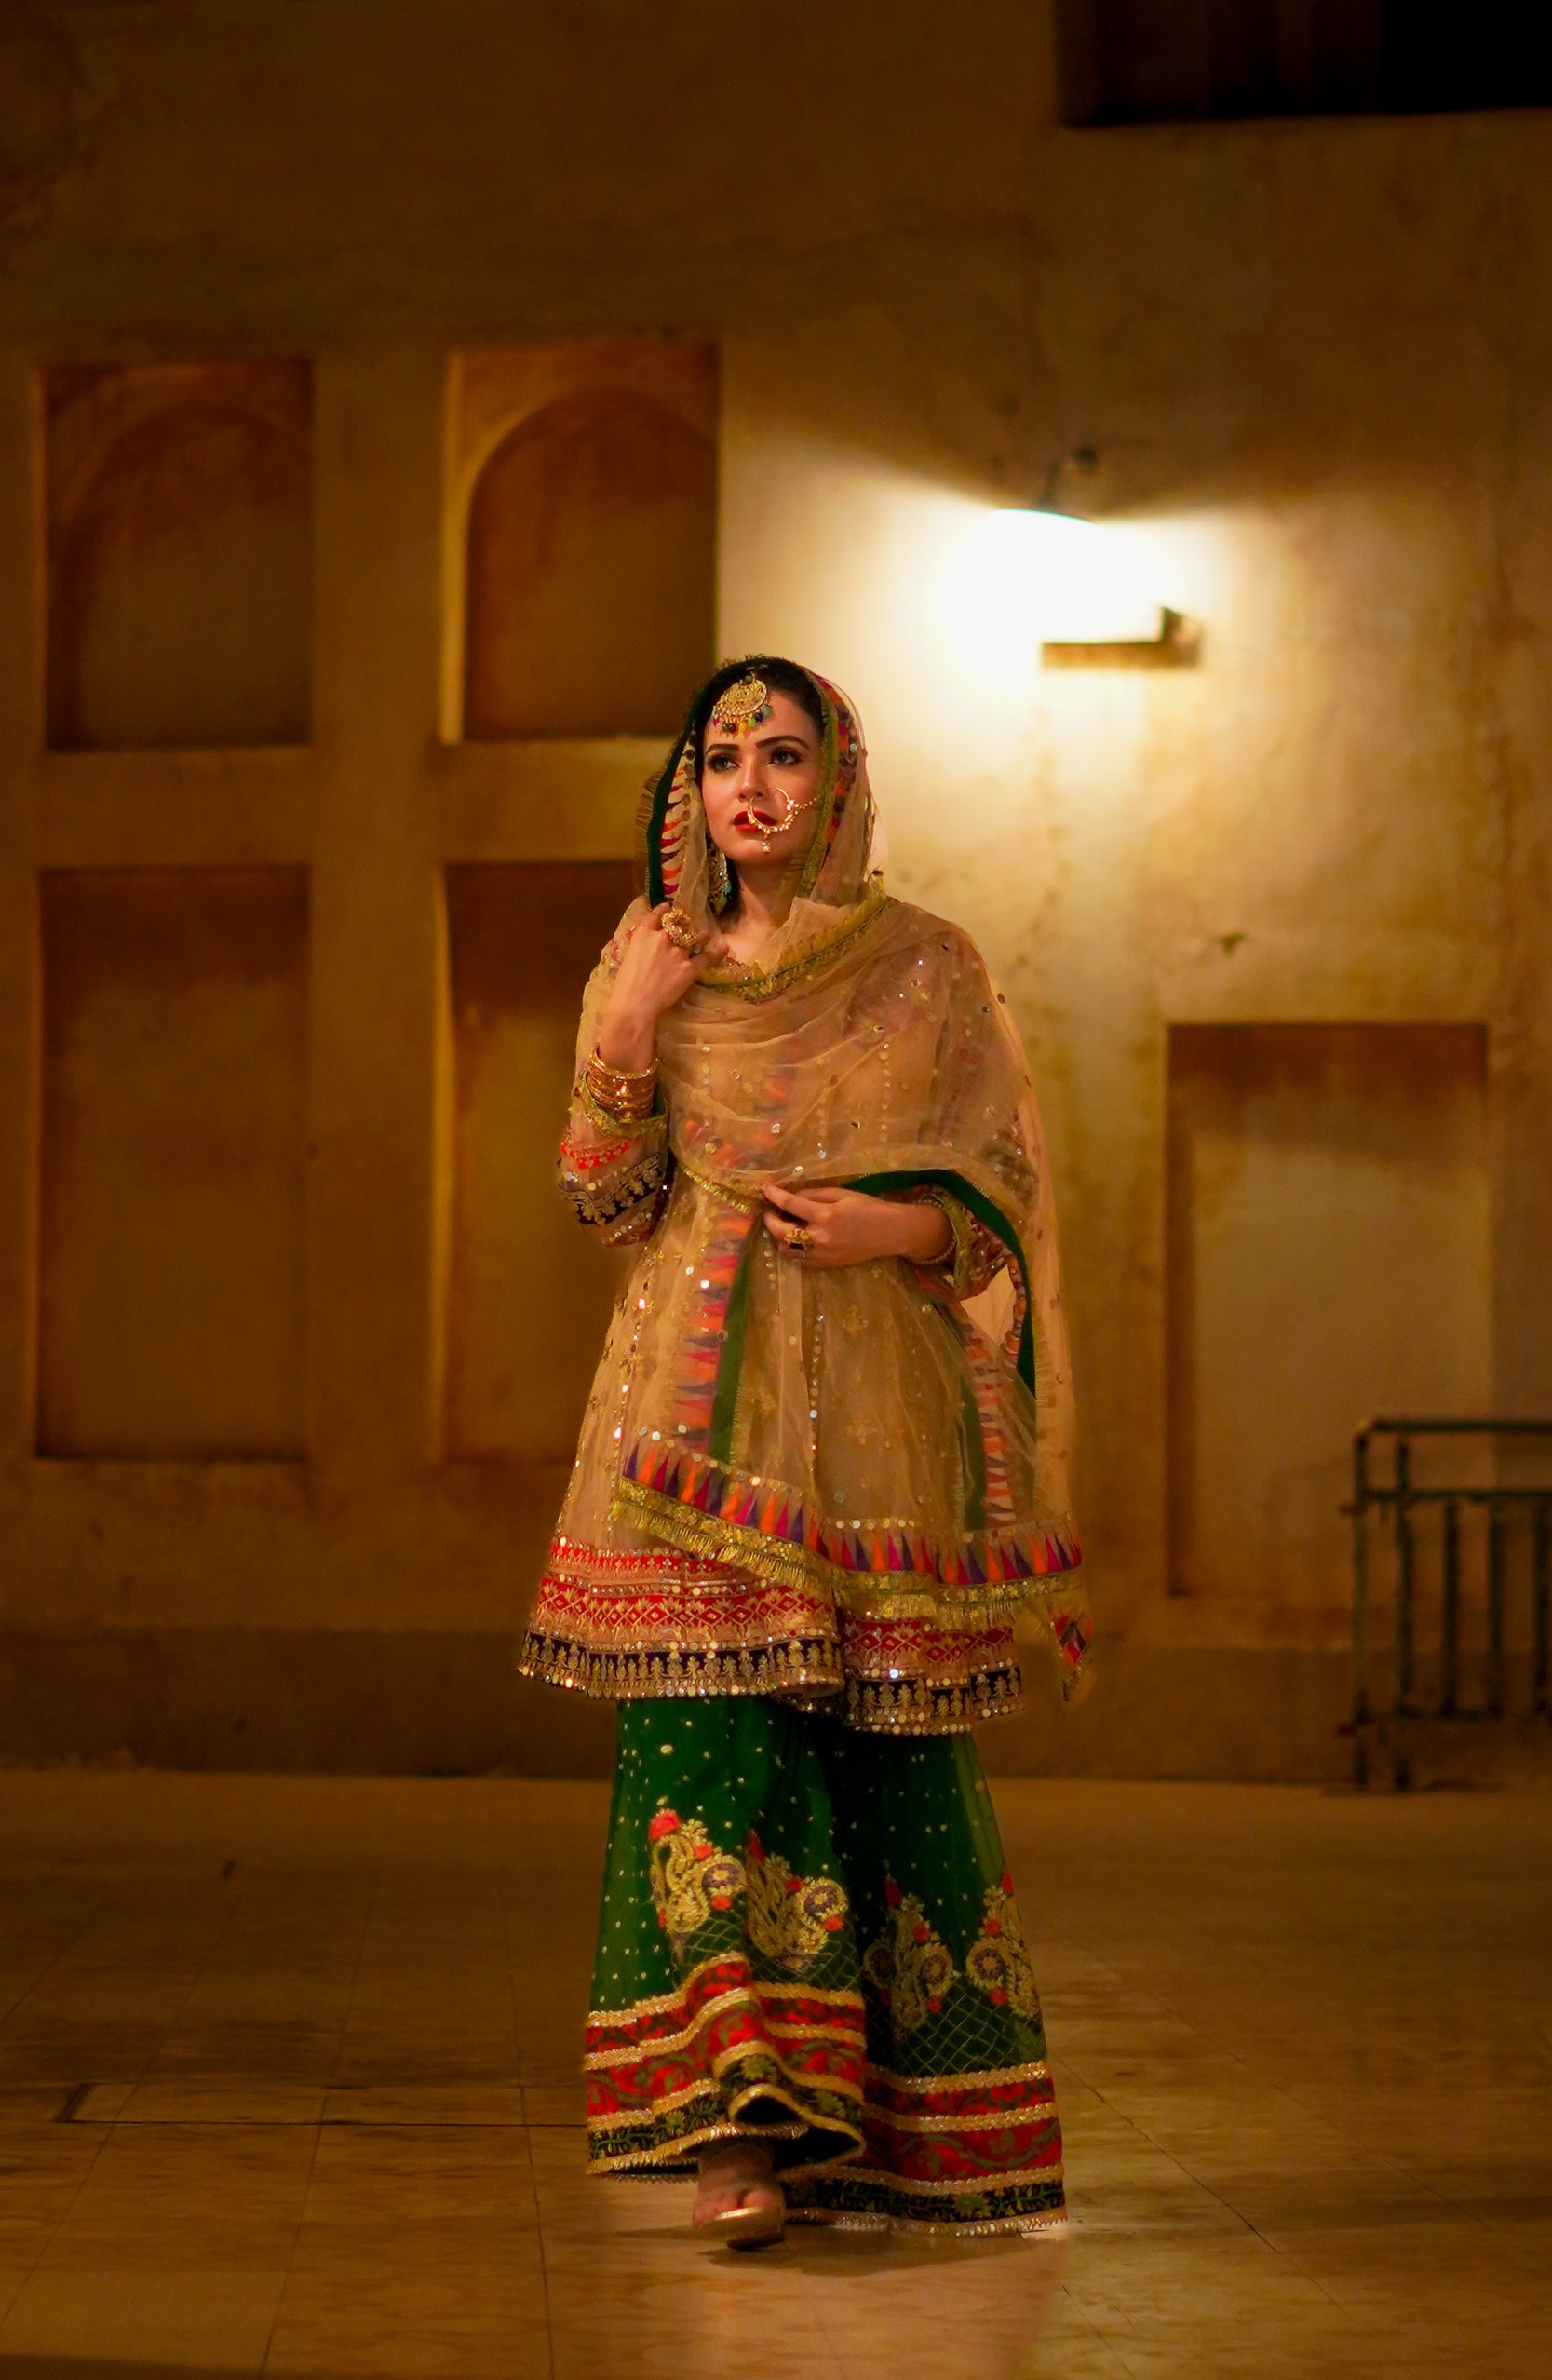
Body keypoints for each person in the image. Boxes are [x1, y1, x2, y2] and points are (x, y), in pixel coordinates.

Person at [520, 657, 1087, 2245]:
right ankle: (733, 2145)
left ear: (839, 780)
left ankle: (906, 2134)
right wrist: (626, 1036)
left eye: (782, 752)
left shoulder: (928, 971)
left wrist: (887, 1221)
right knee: (713, 1752)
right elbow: (601, 1200)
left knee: (884, 1751)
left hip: (877, 1418)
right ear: (687, 789)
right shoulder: (648, 963)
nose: (749, 785)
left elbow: (997, 1219)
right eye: (720, 758)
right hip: (682, 1429)